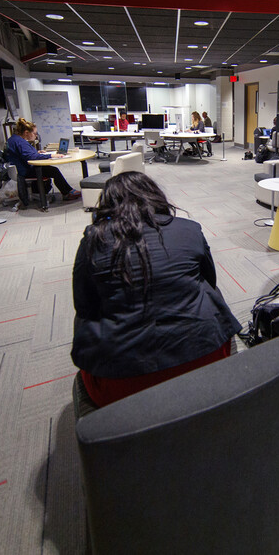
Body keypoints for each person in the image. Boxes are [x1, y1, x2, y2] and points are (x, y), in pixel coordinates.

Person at [71, 172, 241, 407]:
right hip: (207, 358)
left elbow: (84, 305)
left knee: (85, 317)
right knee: (207, 292)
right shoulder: (189, 229)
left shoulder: (93, 239)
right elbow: (210, 281)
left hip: (120, 385)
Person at [4, 118, 81, 207]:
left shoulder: (14, 139)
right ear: (26, 133)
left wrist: (37, 152)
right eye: (34, 133)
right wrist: (51, 156)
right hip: (25, 171)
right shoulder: (20, 142)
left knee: (50, 168)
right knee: (54, 171)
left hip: (20, 169)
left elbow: (25, 154)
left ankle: (66, 191)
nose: (36, 136)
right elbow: (31, 157)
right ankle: (67, 193)